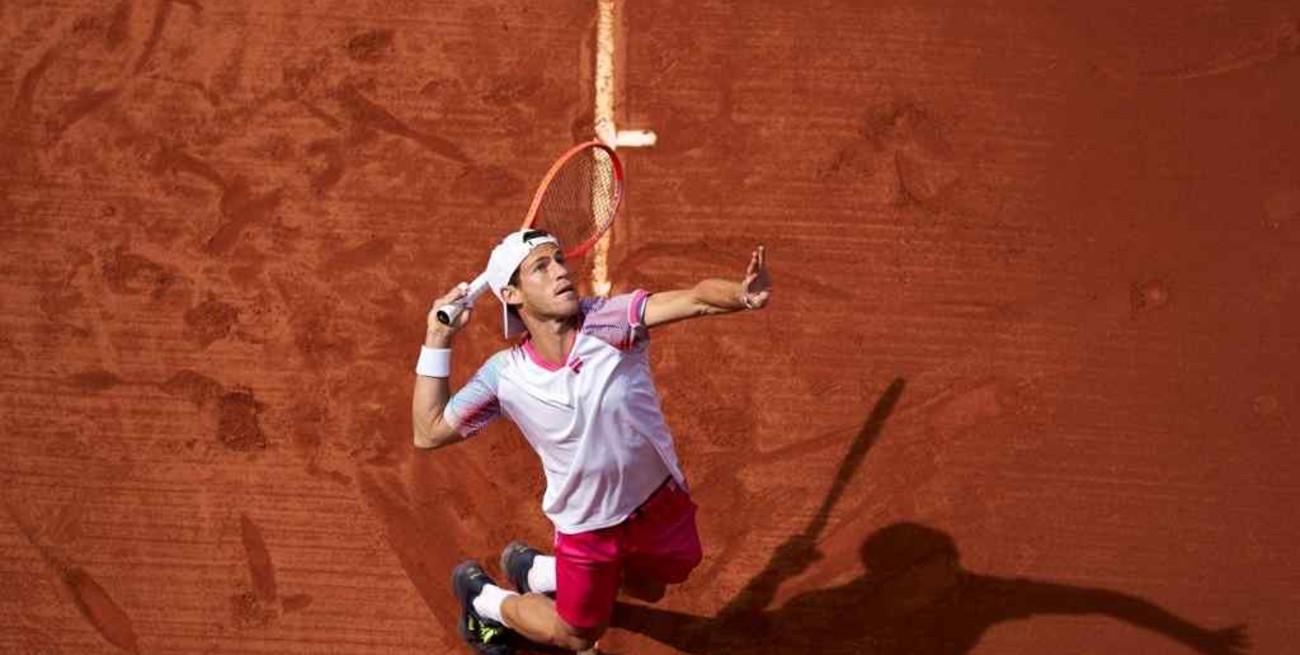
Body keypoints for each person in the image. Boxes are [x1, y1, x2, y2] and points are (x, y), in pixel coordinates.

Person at [411, 228, 772, 654]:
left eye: (559, 260)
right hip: (588, 528)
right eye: (541, 268)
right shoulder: (503, 375)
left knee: (652, 587)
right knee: (577, 635)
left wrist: (741, 294)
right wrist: (438, 339)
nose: (561, 272)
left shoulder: (610, 321)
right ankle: (484, 600)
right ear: (511, 294)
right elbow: (429, 431)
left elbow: (695, 299)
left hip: (657, 504)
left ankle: (537, 573)